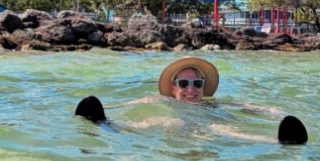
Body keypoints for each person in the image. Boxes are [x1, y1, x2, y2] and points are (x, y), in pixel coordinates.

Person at [75, 56, 307, 144]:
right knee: (162, 123)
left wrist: (273, 111)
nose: (191, 90)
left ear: (203, 87)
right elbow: (129, 104)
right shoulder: (159, 100)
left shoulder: (213, 104)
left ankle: (278, 142)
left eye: (197, 84)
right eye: (184, 84)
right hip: (173, 128)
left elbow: (247, 107)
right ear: (173, 87)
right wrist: (109, 109)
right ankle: (105, 124)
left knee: (222, 128)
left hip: (208, 128)